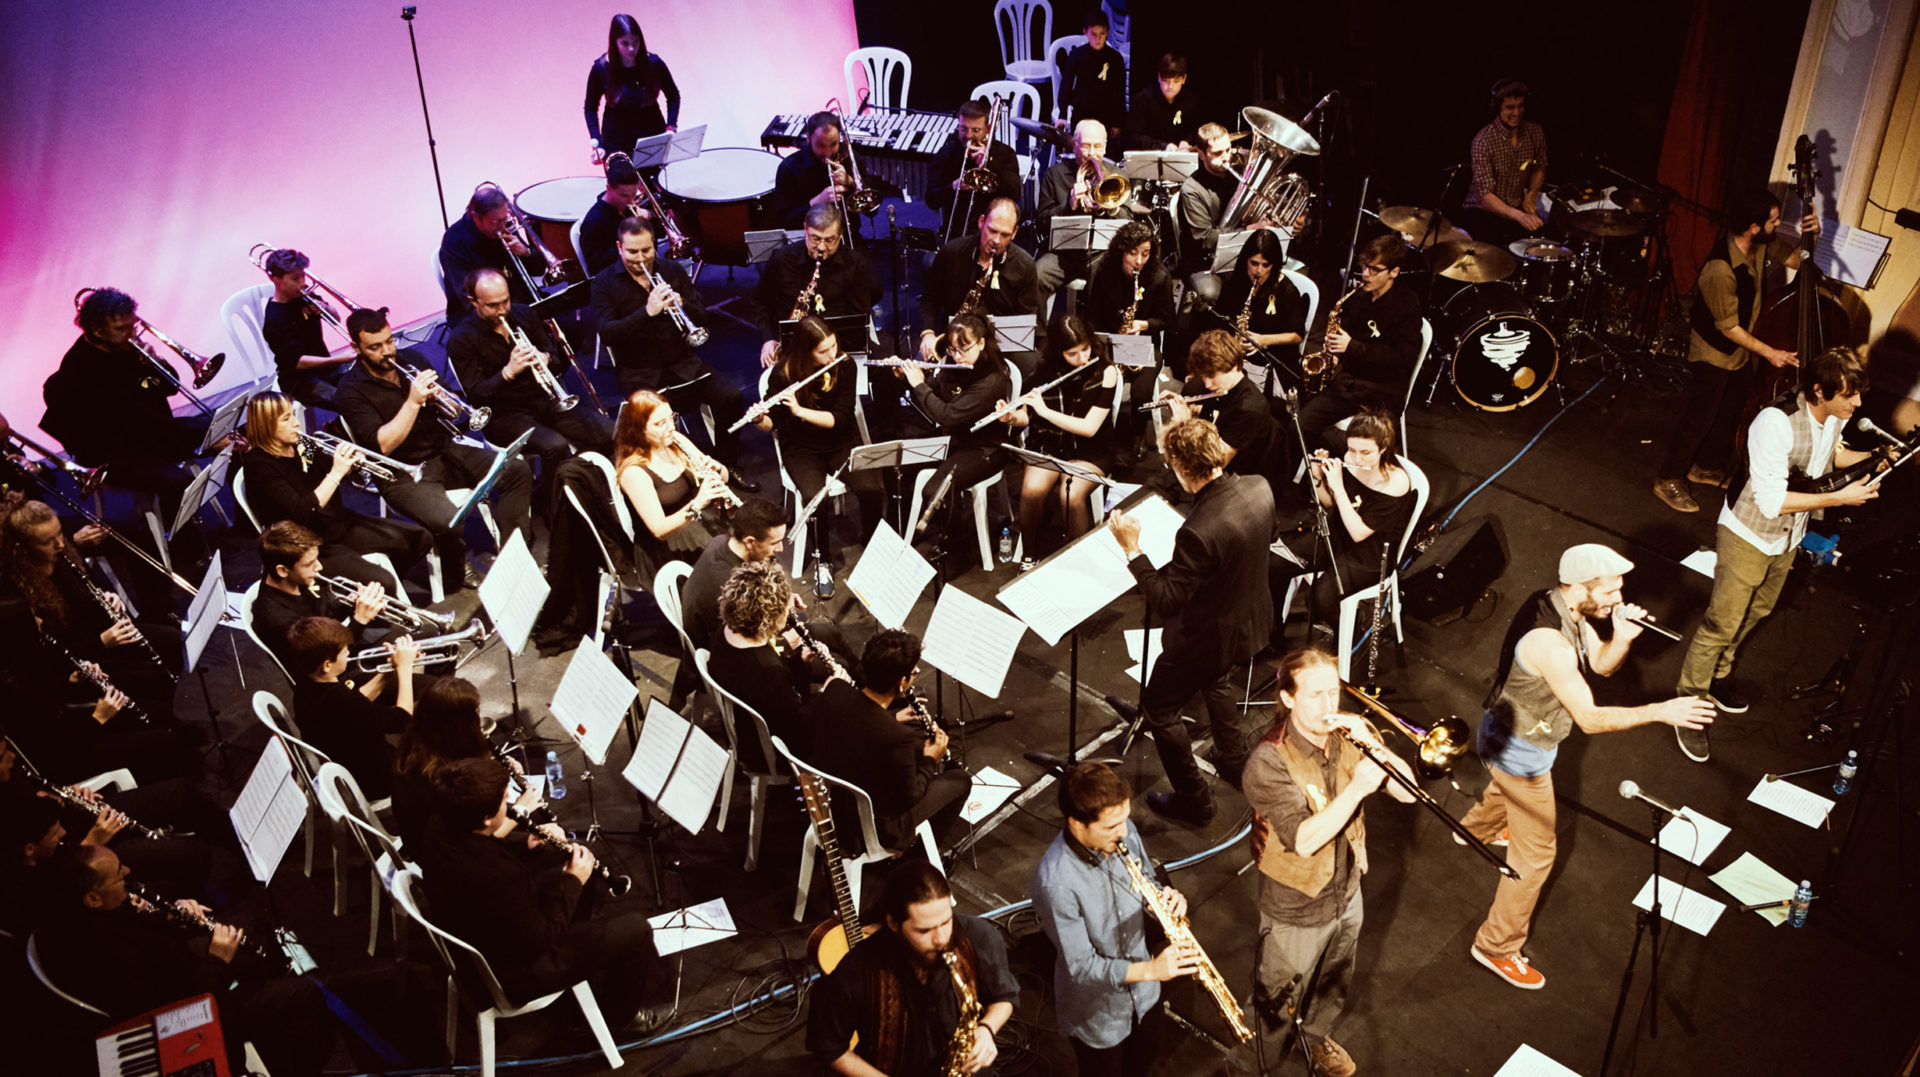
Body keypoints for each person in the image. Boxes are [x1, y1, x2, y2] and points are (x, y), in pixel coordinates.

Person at [1460, 543, 1715, 989]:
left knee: (1502, 788)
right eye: (1611, 590)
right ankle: (1495, 946)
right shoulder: (1550, 644)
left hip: (1506, 733)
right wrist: (1661, 711)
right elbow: (1591, 719)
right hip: (1521, 750)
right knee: (1536, 859)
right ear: (1579, 586)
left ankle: (1474, 831)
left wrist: (1622, 637)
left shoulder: (1563, 605)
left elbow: (1601, 666)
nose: (1619, 598)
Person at [1673, 347, 1880, 761]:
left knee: (1758, 611)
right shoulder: (1776, 423)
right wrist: (1841, 498)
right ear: (1819, 391)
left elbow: (1831, 456)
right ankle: (1688, 705)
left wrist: (1878, 458)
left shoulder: (1829, 417)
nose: (1857, 404)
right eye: (1848, 396)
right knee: (1721, 622)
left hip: (1785, 539)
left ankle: (1718, 675)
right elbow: (1770, 502)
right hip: (1748, 533)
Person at [1227, 648, 1414, 1077]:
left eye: (1334, 693)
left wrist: (1374, 747)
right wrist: (1358, 790)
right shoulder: (1268, 761)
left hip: (1347, 892)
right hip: (1295, 904)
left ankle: (1312, 1040)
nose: (1329, 707)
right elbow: (1304, 840)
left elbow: (1406, 792)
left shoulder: (1352, 732)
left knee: (1331, 982)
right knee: (1274, 1001)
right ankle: (1249, 1067)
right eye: (1315, 695)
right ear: (1289, 698)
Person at [36, 844, 334, 1077]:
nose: (127, 872)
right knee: (304, 995)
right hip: (184, 1012)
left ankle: (270, 1006)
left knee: (247, 925)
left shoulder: (88, 912)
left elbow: (145, 933)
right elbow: (182, 997)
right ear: (93, 899)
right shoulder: (109, 949)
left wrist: (170, 914)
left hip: (178, 971)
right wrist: (218, 959)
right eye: (118, 874)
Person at [415, 756, 664, 1033]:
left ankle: (581, 947)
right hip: (515, 972)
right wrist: (571, 881)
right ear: (486, 818)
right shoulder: (498, 876)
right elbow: (540, 938)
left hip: (481, 929)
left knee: (575, 869)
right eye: (502, 798)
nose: (509, 797)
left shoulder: (439, 822)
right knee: (636, 929)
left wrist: (527, 842)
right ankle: (621, 1020)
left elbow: (480, 846)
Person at [1108, 419, 1275, 824]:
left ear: (1181, 466)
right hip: (1249, 620)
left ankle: (1194, 800)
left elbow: (1166, 600)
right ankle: (1235, 762)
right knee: (1215, 680)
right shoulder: (1259, 486)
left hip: (1205, 637)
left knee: (1160, 708)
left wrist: (1133, 551)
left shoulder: (1198, 532)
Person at [333, 307, 534, 594]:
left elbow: (453, 414)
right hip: (401, 474)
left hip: (443, 451)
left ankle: (515, 551)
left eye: (390, 341)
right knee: (447, 521)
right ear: (356, 348)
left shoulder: (410, 360)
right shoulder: (350, 391)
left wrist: (445, 400)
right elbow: (383, 444)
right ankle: (457, 565)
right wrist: (414, 402)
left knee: (516, 469)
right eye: (375, 347)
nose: (387, 352)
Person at [1653, 190, 1818, 513]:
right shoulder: (1719, 268)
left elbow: (1797, 260)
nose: (1778, 223)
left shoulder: (1760, 245)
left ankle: (1705, 467)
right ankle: (1667, 479)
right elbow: (1728, 328)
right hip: (1714, 349)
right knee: (1699, 417)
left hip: (1741, 349)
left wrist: (1812, 236)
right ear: (1754, 226)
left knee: (1730, 411)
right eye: (1773, 220)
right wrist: (1771, 352)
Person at [1030, 762, 1198, 1077]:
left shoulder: (1124, 831)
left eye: (1124, 820)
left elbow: (1147, 879)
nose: (1123, 832)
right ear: (1076, 824)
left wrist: (1164, 899)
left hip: (1146, 998)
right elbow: (1081, 966)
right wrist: (1153, 969)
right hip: (1100, 1016)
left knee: (1142, 1067)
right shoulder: (1055, 883)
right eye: (1110, 826)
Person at [807, 861, 1017, 1077]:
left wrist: (987, 1029)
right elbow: (829, 1047)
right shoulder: (856, 969)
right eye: (924, 930)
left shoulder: (980, 937)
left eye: (946, 922)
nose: (941, 939)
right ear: (893, 923)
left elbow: (1004, 997)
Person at [447, 268, 616, 507]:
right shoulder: (462, 339)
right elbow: (475, 395)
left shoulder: (524, 315)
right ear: (473, 301)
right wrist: (507, 372)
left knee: (610, 433)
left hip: (545, 400)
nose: (503, 310)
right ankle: (556, 506)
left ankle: (591, 487)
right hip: (504, 414)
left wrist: (545, 358)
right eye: (493, 305)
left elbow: (556, 358)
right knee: (554, 446)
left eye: (505, 300)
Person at [39, 286, 216, 515]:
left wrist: (155, 363)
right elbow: (136, 420)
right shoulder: (82, 370)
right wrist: (200, 436)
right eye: (122, 328)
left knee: (239, 433)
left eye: (133, 325)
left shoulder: (125, 348)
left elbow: (171, 388)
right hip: (114, 452)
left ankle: (249, 523)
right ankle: (182, 545)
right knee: (179, 483)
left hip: (148, 436)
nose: (133, 334)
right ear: (97, 330)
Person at [592, 217, 749, 470]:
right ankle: (674, 477)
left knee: (731, 397)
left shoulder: (672, 271)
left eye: (647, 250)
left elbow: (703, 315)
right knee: (651, 422)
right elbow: (608, 333)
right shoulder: (603, 283)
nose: (641, 258)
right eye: (632, 251)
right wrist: (647, 312)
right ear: (619, 247)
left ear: (655, 245)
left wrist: (684, 304)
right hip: (640, 371)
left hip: (683, 362)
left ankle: (725, 465)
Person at [237, 390, 432, 593]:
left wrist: (351, 463)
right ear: (266, 426)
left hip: (337, 524)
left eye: (293, 414)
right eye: (286, 419)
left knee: (420, 539)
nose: (296, 423)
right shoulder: (259, 465)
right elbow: (302, 510)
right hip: (308, 547)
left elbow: (327, 466)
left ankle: (371, 590)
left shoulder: (302, 444)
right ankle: (364, 599)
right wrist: (337, 472)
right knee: (383, 581)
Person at [807, 629, 971, 850]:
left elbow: (860, 724)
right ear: (902, 682)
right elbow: (909, 797)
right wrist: (930, 760)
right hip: (872, 829)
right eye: (913, 673)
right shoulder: (897, 738)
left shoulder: (836, 689)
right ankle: (918, 856)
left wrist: (893, 717)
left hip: (825, 801)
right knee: (960, 780)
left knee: (914, 744)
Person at [1272, 410, 1416, 626]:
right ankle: (1272, 634)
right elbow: (1328, 503)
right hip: (1338, 532)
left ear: (1383, 449)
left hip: (1368, 554)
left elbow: (1359, 533)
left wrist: (1338, 486)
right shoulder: (1349, 459)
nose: (1356, 458)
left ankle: (1347, 638)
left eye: (1366, 452)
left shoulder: (1395, 483)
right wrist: (1318, 474)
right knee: (1274, 564)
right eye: (1352, 449)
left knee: (1320, 600)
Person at [755, 315, 886, 547]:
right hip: (801, 449)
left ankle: (873, 544)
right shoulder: (782, 375)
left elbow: (840, 419)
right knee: (816, 500)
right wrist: (759, 419)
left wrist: (799, 410)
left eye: (833, 346)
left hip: (840, 441)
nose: (832, 355)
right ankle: (822, 561)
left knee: (871, 489)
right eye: (823, 351)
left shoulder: (844, 365)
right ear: (806, 352)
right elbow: (771, 423)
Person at [708, 561, 848, 766]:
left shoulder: (727, 629)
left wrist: (800, 662)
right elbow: (800, 725)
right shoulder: (768, 671)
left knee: (837, 658)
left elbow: (779, 698)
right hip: (773, 749)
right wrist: (827, 692)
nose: (790, 609)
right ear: (767, 619)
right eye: (785, 608)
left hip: (753, 719)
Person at [1296, 234, 1425, 450]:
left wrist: (1352, 347)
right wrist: (1336, 356)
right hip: (1349, 385)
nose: (1365, 274)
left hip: (1382, 392)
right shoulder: (1357, 296)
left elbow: (1403, 359)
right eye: (1365, 266)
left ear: (1394, 272)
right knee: (1299, 425)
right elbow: (1344, 335)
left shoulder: (1407, 304)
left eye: (1374, 269)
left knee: (1375, 448)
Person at [1006, 314, 1120, 556]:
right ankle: (1029, 554)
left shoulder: (1105, 371)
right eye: (1072, 354)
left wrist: (1045, 412)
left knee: (1071, 494)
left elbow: (1089, 428)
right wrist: (1012, 418)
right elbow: (1027, 416)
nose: (1082, 359)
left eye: (1085, 349)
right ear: (1059, 352)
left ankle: (1078, 558)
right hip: (1051, 444)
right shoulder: (1044, 370)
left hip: (1091, 449)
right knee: (1031, 491)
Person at [900, 314, 1015, 542]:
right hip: (954, 441)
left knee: (935, 492)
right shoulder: (954, 363)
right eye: (952, 350)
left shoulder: (993, 380)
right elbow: (936, 387)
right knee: (898, 464)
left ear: (981, 343)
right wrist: (906, 376)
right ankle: (907, 535)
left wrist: (918, 384)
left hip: (985, 449)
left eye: (964, 349)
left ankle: (956, 544)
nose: (957, 357)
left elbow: (948, 416)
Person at [390, 675, 533, 846]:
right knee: (537, 820)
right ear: (460, 724)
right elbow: (478, 838)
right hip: (447, 850)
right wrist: (521, 810)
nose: (478, 718)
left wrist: (494, 766)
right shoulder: (443, 779)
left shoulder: (418, 742)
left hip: (437, 836)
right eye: (475, 713)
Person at [288, 617, 416, 801]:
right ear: (327, 665)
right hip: (375, 779)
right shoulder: (340, 699)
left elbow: (359, 701)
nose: (349, 653)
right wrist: (405, 669)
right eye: (344, 652)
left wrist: (389, 670)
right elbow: (402, 720)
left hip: (348, 757)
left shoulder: (307, 683)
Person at [611, 390, 735, 578]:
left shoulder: (675, 441)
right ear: (639, 429)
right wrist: (698, 503)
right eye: (661, 424)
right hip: (668, 549)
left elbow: (724, 476)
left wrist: (717, 468)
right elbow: (659, 530)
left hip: (698, 524)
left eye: (671, 418)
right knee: (731, 571)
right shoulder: (634, 471)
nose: (670, 427)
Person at [250, 520, 387, 674]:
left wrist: (353, 601)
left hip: (341, 639)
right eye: (310, 564)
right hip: (335, 671)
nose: (319, 567)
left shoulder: (291, 579)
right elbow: (328, 660)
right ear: (282, 570)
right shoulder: (280, 621)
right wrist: (360, 619)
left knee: (414, 635)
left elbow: (323, 609)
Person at [917, 198, 1041, 363]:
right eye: (992, 230)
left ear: (1015, 232)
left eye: (1005, 235)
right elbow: (930, 299)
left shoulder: (1024, 265)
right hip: (955, 343)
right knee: (917, 372)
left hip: (1000, 348)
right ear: (982, 222)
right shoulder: (951, 252)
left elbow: (1027, 318)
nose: (996, 241)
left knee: (1031, 364)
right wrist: (928, 334)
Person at [755, 204, 877, 370]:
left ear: (840, 236)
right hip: (791, 349)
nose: (821, 247)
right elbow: (761, 303)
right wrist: (768, 339)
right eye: (816, 238)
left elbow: (859, 314)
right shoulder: (782, 259)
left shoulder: (855, 264)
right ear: (805, 229)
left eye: (829, 240)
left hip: (835, 349)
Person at [1154, 330, 1275, 485]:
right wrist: (1191, 409)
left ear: (1233, 366)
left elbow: (1211, 467)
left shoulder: (1250, 408)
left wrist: (1183, 425)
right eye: (1204, 376)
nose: (1207, 384)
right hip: (1198, 462)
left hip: (1227, 480)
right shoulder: (1219, 388)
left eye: (1212, 376)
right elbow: (1217, 416)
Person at [1035, 120, 1131, 307]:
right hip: (1064, 254)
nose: (1092, 153)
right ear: (1075, 145)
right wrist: (1069, 205)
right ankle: (1038, 335)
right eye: (1086, 146)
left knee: (1107, 284)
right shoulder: (1055, 174)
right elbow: (1041, 222)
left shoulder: (1117, 176)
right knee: (1037, 277)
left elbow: (1128, 220)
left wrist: (1111, 205)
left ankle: (1095, 334)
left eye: (1097, 146)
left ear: (1105, 148)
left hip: (1102, 253)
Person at [1178, 123, 1273, 291]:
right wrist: (1250, 229)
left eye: (1228, 150)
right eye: (1217, 153)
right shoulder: (1191, 190)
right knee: (1210, 293)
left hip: (1242, 253)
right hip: (1203, 260)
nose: (1226, 157)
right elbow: (1206, 239)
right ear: (1201, 154)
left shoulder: (1238, 176)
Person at [437, 184, 553, 321]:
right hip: (485, 315)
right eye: (496, 222)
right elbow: (469, 300)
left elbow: (538, 270)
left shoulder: (504, 227)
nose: (503, 226)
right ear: (476, 217)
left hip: (521, 303)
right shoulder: (455, 241)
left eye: (505, 219)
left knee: (571, 328)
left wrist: (525, 252)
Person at [257, 248, 354, 408]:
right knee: (343, 399)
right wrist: (338, 359)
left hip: (326, 366)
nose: (302, 282)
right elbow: (298, 362)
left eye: (303, 275)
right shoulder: (275, 319)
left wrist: (324, 307)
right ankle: (335, 428)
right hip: (299, 380)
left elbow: (335, 319)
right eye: (295, 279)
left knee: (364, 383)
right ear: (275, 279)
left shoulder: (304, 296)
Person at [1461, 79, 1548, 248]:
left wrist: (1530, 195)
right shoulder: (1483, 140)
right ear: (1497, 108)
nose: (1516, 113)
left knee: (1541, 245)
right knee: (1494, 254)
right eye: (1510, 107)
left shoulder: (1535, 132)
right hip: (1482, 211)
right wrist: (1519, 216)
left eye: (1520, 106)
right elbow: (1486, 196)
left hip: (1516, 207)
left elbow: (1540, 167)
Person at [584, 13, 680, 164]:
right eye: (625, 43)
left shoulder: (654, 64)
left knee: (656, 186)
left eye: (636, 42)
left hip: (652, 135)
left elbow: (673, 95)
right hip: (616, 140)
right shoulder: (601, 69)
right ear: (614, 42)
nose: (632, 48)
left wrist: (671, 127)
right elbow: (590, 107)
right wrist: (598, 142)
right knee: (624, 186)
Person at [926, 98, 1022, 243]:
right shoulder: (947, 152)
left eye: (976, 130)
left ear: (988, 129)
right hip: (956, 234)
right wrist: (953, 187)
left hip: (994, 233)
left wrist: (990, 165)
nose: (969, 136)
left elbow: (1014, 195)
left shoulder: (1005, 153)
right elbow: (931, 199)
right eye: (963, 129)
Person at [1209, 228, 1309, 366]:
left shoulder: (1286, 290)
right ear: (1245, 261)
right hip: (1234, 353)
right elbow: (1219, 321)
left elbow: (1297, 335)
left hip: (1272, 356)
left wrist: (1262, 340)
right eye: (1254, 263)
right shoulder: (1234, 283)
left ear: (1273, 265)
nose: (1259, 271)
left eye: (1266, 265)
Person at [1082, 220, 1173, 341]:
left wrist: (1143, 325)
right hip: (1107, 338)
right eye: (1132, 253)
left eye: (1145, 254)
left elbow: (1167, 321)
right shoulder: (1102, 271)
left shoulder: (1160, 277)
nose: (1139, 261)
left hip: (1142, 341)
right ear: (1121, 252)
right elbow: (1092, 316)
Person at [772, 111, 856, 231]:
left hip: (848, 235)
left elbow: (872, 211)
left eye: (833, 144)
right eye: (821, 146)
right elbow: (785, 222)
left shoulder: (850, 158)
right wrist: (816, 202)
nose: (828, 152)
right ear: (809, 139)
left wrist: (850, 182)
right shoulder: (789, 168)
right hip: (806, 238)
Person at [1055, 11, 1128, 142]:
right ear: (1085, 32)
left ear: (1107, 32)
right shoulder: (1077, 56)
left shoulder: (1115, 59)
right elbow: (1066, 86)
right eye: (1093, 34)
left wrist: (1118, 123)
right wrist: (1063, 115)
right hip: (1082, 114)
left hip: (1107, 116)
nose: (1098, 39)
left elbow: (1119, 92)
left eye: (1102, 34)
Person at [579, 152, 653, 277]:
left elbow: (658, 237)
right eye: (624, 196)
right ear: (609, 188)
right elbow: (595, 266)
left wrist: (649, 217)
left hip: (640, 268)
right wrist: (627, 247)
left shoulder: (630, 207)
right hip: (616, 278)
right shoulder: (594, 221)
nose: (631, 201)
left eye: (633, 194)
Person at [1125, 53, 1197, 151]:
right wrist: (1163, 146)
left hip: (1180, 156)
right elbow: (1133, 137)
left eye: (1176, 81)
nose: (1170, 86)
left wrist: (1187, 141)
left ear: (1184, 79)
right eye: (1166, 81)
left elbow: (1194, 130)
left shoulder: (1189, 101)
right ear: (1159, 77)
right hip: (1149, 156)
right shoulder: (1143, 99)